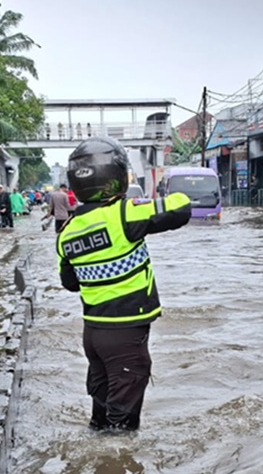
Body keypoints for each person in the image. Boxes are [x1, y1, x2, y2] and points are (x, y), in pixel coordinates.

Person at [56, 136, 191, 432]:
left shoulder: (67, 232)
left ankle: (97, 461)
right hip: (125, 333)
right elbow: (180, 208)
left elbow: (70, 283)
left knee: (102, 408)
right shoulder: (124, 213)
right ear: (117, 176)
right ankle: (115, 468)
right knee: (122, 425)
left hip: (93, 332)